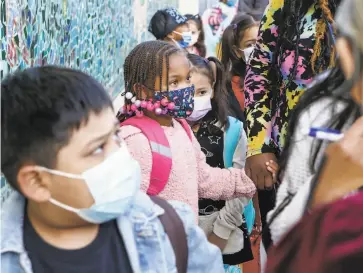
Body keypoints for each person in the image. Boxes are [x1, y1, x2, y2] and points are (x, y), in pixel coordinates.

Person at [0, 66, 226, 273]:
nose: (120, 153)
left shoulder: (169, 227)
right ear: (37, 182)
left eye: (116, 135)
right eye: (97, 149)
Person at [265, 0, 363, 272]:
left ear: (346, 55)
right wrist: (322, 188)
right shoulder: (323, 116)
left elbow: (288, 259)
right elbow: (282, 223)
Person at [117, 41, 256, 217]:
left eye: (188, 79)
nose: (186, 88)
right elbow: (130, 211)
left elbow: (203, 179)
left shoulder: (180, 126)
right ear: (142, 91)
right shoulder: (135, 140)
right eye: (174, 82)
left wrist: (250, 178)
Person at [243, 0, 341, 248]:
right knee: (292, 246)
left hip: (356, 153)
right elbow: (259, 72)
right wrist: (258, 145)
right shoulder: (284, 5)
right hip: (290, 157)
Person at [187, 54, 255, 273]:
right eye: (187, 93)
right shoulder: (169, 132)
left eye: (202, 92)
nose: (194, 100)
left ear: (213, 90)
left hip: (224, 233)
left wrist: (220, 233)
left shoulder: (232, 130)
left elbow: (243, 185)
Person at [220, 13, 259, 111]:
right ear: (237, 51)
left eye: (260, 42)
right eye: (250, 44)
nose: (258, 48)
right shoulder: (235, 85)